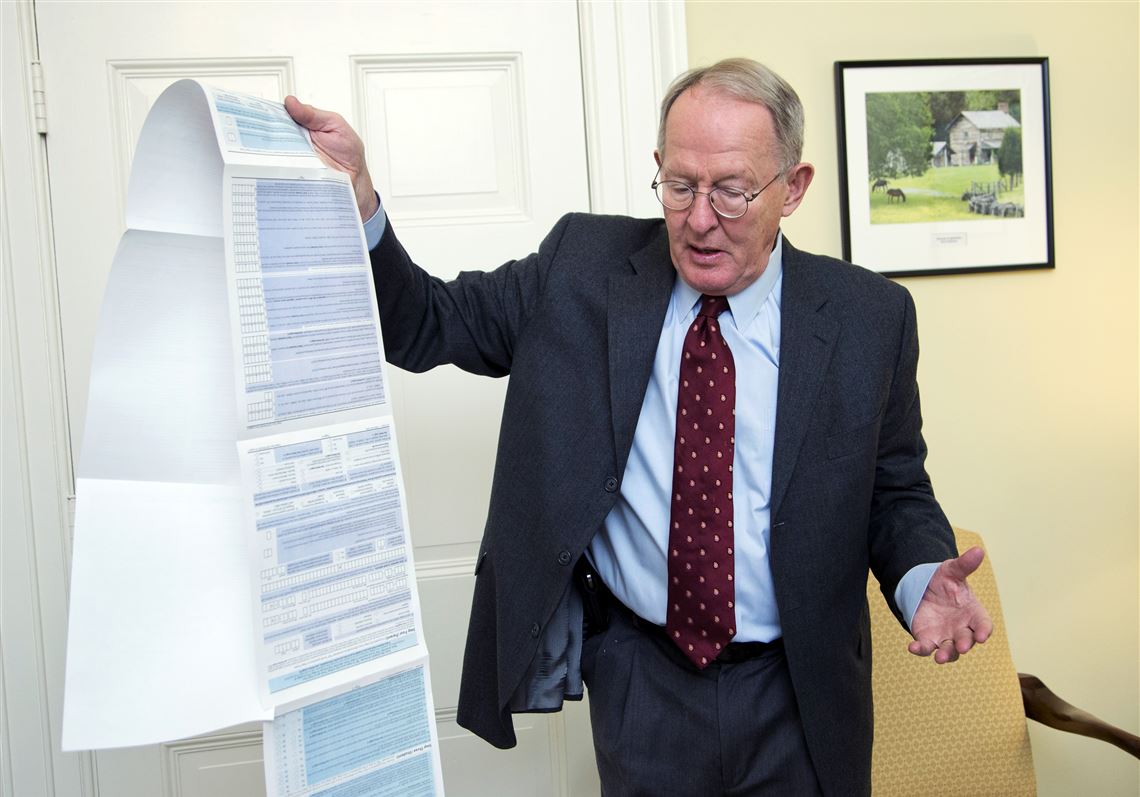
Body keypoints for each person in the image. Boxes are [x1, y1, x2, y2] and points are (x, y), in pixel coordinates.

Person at [286, 58, 992, 797]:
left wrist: (921, 575)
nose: (699, 219)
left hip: (802, 688)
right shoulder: (579, 269)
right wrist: (359, 201)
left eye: (731, 191)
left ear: (793, 187)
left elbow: (894, 490)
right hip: (644, 683)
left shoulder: (868, 318)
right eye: (680, 185)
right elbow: (424, 322)